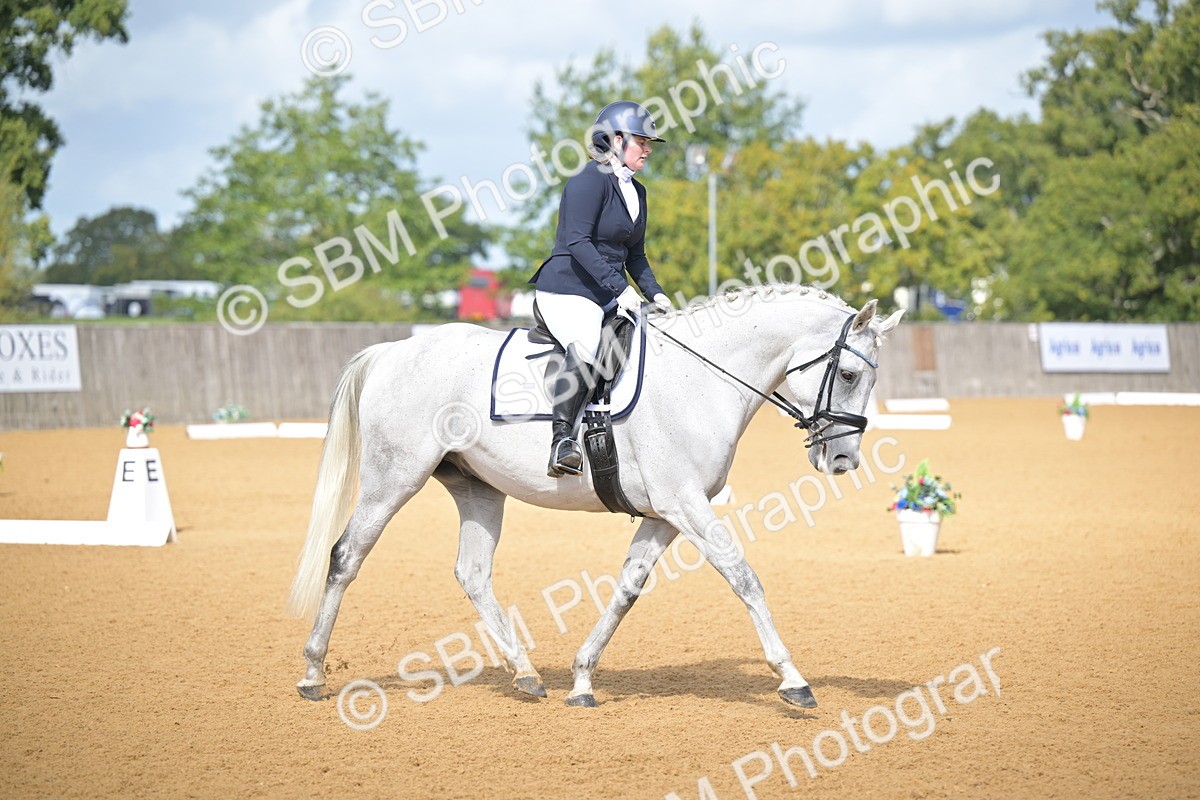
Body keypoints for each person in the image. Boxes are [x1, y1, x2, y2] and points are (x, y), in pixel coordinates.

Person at [528, 100, 674, 478]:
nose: (648, 149)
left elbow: (636, 256)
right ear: (616, 139)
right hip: (568, 288)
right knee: (589, 342)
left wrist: (656, 294)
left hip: (607, 291)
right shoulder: (587, 181)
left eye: (648, 142)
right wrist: (619, 289)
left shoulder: (637, 192)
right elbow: (577, 242)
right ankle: (562, 441)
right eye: (641, 141)